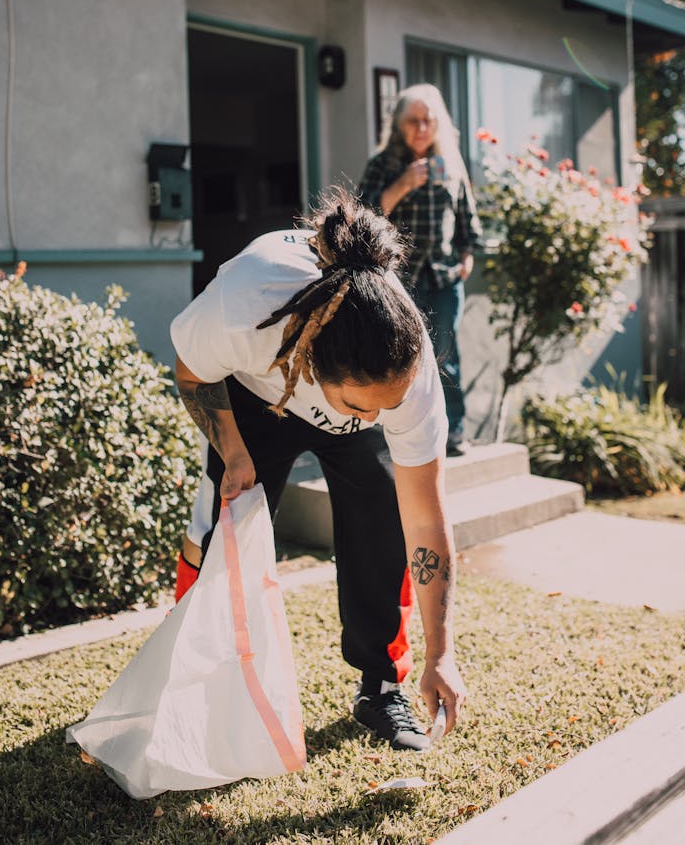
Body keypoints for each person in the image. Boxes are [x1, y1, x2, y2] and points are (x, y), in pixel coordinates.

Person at [170, 189, 466, 752]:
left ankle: (380, 686)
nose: (382, 418)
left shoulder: (408, 372)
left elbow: (427, 523)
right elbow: (191, 372)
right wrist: (232, 451)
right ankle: (191, 685)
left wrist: (441, 653)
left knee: (386, 522)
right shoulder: (247, 302)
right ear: (313, 360)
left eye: (390, 404)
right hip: (254, 398)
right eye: (363, 406)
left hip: (342, 403)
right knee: (218, 531)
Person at [358, 84, 483, 458]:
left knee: (447, 355)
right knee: (395, 358)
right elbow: (363, 216)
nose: (421, 128)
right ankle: (393, 435)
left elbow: (467, 218)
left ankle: (454, 433)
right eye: (413, 121)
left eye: (428, 121)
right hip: (397, 280)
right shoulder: (383, 164)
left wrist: (466, 258)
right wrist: (404, 183)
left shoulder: (450, 163)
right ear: (399, 125)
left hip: (443, 277)